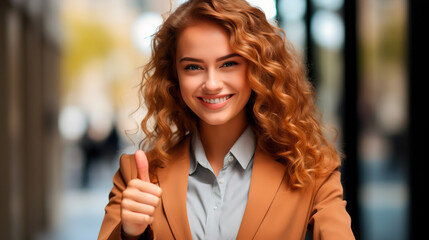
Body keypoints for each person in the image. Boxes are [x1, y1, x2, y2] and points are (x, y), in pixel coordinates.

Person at [98, 0, 355, 239]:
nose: (211, 84)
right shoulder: (136, 176)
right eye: (193, 67)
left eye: (229, 64)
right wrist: (130, 234)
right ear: (174, 76)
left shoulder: (311, 170)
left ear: (257, 67)